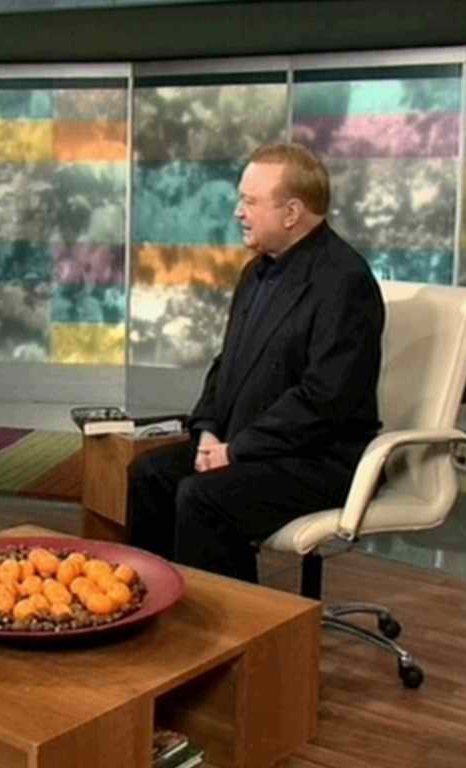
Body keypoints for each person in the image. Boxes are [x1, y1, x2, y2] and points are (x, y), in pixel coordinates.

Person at [128, 143, 385, 583]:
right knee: (149, 475)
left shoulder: (345, 282)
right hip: (248, 442)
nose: (238, 212)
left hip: (318, 459)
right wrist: (208, 430)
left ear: (291, 213)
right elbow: (226, 363)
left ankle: (229, 621)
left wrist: (236, 451)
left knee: (203, 498)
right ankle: (157, 603)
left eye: (249, 201)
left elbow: (324, 400)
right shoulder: (256, 271)